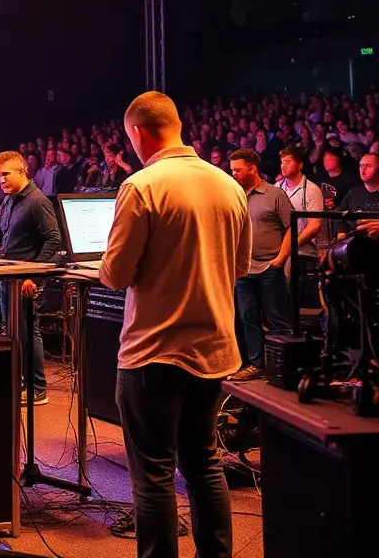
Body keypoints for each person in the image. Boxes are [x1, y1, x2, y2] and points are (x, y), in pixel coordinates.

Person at [101, 91, 251, 558]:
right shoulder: (229, 185)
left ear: (139, 133)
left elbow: (117, 274)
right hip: (214, 350)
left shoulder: (143, 185)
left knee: (154, 475)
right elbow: (241, 266)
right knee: (204, 463)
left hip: (154, 352)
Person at [0, 150, 61, 406]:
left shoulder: (37, 201)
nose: (0, 180)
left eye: (5, 174)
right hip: (8, 279)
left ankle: (37, 388)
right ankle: (23, 383)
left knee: (27, 332)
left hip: (25, 281)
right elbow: (0, 234)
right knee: (16, 333)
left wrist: (34, 276)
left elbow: (54, 239)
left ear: (21, 172)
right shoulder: (9, 200)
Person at [228, 149, 292, 381]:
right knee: (247, 318)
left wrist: (280, 259)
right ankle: (256, 365)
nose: (233, 174)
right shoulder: (235, 195)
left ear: (252, 168)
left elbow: (291, 228)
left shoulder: (275, 194)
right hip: (243, 269)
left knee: (276, 319)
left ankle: (283, 368)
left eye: (237, 170)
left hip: (269, 266)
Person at [278, 146, 324, 306]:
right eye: (281, 162)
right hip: (276, 250)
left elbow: (314, 225)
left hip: (302, 252)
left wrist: (291, 246)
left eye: (288, 161)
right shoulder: (276, 189)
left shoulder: (311, 190)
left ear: (299, 165)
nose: (283, 165)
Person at [344, 152, 379, 238]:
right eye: (361, 166)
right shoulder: (353, 193)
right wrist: (341, 233)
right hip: (356, 244)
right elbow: (339, 218)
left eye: (368, 166)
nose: (363, 170)